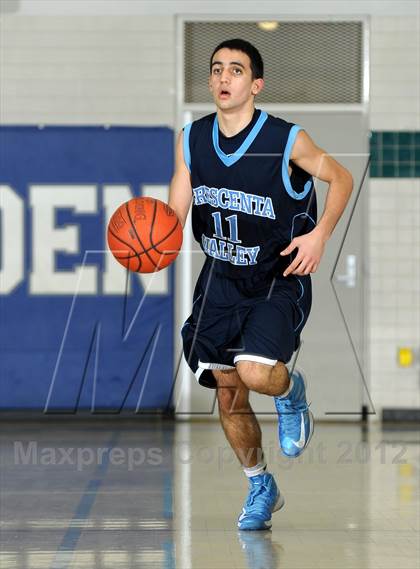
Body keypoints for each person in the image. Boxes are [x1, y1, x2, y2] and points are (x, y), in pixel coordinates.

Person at [168, 38, 353, 531]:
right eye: (216, 69)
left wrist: (319, 235)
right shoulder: (190, 139)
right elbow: (173, 216)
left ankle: (291, 392)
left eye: (236, 70)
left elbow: (342, 178)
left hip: (277, 275)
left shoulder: (286, 139)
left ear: (256, 84)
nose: (224, 77)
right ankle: (260, 485)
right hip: (221, 278)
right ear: (210, 81)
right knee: (229, 392)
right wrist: (148, 242)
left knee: (254, 371)